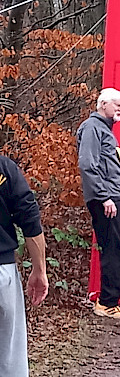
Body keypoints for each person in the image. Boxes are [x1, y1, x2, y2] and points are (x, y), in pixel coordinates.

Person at [77, 88, 120, 320]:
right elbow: (87, 164)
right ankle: (107, 303)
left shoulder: (103, 129)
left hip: (113, 195)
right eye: (117, 105)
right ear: (103, 104)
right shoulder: (93, 128)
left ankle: (110, 301)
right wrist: (104, 196)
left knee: (119, 248)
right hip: (107, 198)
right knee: (115, 249)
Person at [0, 155, 48, 376]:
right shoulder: (3, 168)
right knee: (9, 362)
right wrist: (39, 270)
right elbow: (29, 218)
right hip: (2, 274)